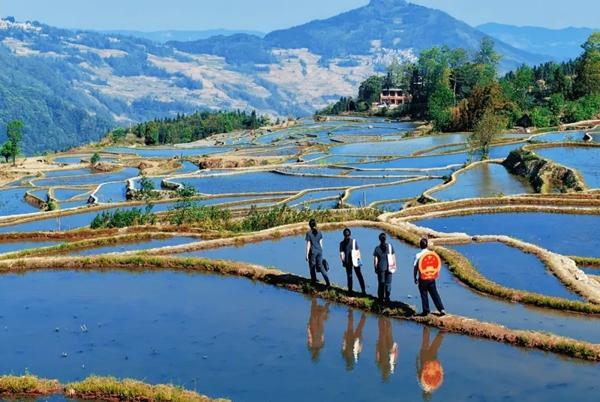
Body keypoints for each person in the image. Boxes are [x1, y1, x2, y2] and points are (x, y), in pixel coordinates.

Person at [413, 238, 446, 316]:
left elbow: (415, 268)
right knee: (435, 293)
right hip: (431, 277)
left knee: (424, 294)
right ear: (427, 245)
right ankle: (441, 309)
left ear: (420, 245)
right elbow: (436, 264)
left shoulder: (418, 255)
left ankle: (426, 311)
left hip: (423, 278)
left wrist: (415, 278)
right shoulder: (431, 254)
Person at [417, 327, 445, 399]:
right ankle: (426, 327)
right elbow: (418, 368)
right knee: (425, 341)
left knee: (435, 347)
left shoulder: (434, 386)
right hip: (424, 358)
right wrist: (417, 359)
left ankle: (442, 332)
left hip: (432, 362)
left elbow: (440, 375)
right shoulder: (420, 383)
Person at [339, 228, 366, 295]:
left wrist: (359, 262)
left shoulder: (344, 243)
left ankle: (362, 291)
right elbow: (342, 254)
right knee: (351, 276)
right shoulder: (347, 243)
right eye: (347, 236)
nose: (347, 237)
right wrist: (343, 262)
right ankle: (351, 291)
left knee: (356, 275)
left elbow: (357, 252)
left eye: (347, 235)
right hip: (349, 262)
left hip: (354, 261)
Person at [305, 219, 330, 286]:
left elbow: (308, 244)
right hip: (319, 251)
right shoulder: (319, 232)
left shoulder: (308, 233)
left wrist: (306, 255)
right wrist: (320, 251)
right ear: (315, 224)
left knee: (312, 266)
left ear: (309, 225)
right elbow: (321, 243)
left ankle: (313, 282)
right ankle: (327, 282)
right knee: (321, 266)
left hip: (313, 252)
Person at [373, 232, 395, 303]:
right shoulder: (390, 247)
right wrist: (394, 265)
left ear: (379, 239)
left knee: (381, 283)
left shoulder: (377, 248)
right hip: (390, 267)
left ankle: (380, 299)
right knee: (388, 283)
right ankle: (387, 298)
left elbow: (375, 260)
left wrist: (375, 268)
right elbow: (393, 256)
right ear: (385, 239)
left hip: (381, 268)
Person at [375, 316, 398, 381]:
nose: (385, 373)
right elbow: (395, 358)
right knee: (386, 333)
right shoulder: (391, 368)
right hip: (387, 350)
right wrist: (396, 348)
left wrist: (377, 348)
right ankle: (384, 318)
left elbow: (377, 357)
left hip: (385, 350)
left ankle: (384, 318)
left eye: (384, 374)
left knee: (386, 333)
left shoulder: (380, 367)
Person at [307, 297, 329, 362]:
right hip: (316, 330)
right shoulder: (314, 346)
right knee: (316, 314)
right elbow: (310, 336)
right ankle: (317, 299)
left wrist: (308, 328)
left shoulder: (319, 346)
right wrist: (308, 328)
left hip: (318, 331)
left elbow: (311, 336)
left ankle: (326, 303)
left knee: (318, 315)